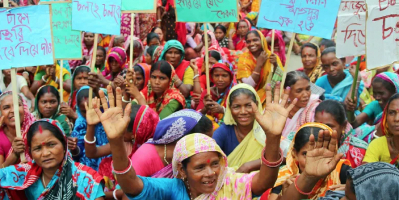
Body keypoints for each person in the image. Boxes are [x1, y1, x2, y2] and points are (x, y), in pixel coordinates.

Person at [94, 82, 297, 199]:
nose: (211, 174)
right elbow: (130, 185)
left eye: (215, 164)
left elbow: (264, 181)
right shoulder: (173, 189)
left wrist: (272, 137)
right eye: (200, 168)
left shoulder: (229, 181)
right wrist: (116, 142)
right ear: (182, 170)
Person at [0, 119, 105, 200]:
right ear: (30, 153)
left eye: (51, 145)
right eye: (38, 148)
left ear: (64, 146)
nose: (45, 153)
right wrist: (14, 155)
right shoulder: (25, 175)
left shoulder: (86, 179)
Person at [84, 99, 159, 199]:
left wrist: (101, 194)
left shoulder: (149, 156)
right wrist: (90, 125)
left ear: (134, 134)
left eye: (122, 127)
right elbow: (92, 153)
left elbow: (130, 191)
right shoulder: (125, 143)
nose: (116, 128)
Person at [212, 83, 284, 172]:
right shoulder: (223, 132)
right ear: (230, 108)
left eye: (248, 105)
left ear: (257, 105)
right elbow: (210, 160)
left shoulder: (265, 129)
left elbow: (285, 155)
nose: (243, 111)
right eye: (237, 107)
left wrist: (249, 166)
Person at [269, 123, 350, 200]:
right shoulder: (286, 178)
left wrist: (349, 191)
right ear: (295, 154)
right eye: (305, 154)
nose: (313, 161)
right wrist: (285, 195)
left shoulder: (341, 172)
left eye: (321, 156)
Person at [131, 109, 213, 178]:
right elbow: (126, 191)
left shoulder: (187, 158)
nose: (206, 147)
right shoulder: (144, 157)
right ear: (184, 139)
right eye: (202, 143)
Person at [314, 100, 369, 168]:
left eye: (329, 126)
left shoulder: (361, 152)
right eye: (317, 125)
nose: (321, 131)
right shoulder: (306, 147)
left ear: (343, 126)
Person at [237, 30, 283, 103]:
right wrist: (259, 64)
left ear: (262, 40)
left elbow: (280, 79)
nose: (252, 44)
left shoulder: (272, 56)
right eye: (248, 41)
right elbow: (248, 85)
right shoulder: (244, 59)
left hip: (270, 96)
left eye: (255, 40)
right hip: (250, 98)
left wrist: (275, 65)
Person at [69, 86, 109, 171]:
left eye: (92, 109)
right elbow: (78, 152)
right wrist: (74, 148)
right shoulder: (80, 124)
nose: (88, 114)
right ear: (78, 109)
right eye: (84, 111)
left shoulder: (107, 118)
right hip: (89, 168)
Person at [280, 71, 321, 151]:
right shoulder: (278, 107)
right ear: (287, 92)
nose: (306, 95)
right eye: (299, 91)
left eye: (308, 89)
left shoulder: (314, 110)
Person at [0, 92, 35, 167]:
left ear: (24, 108)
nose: (13, 110)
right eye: (6, 107)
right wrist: (14, 155)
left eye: (17, 105)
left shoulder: (36, 131)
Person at [197, 62, 236, 130]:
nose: (220, 79)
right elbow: (197, 116)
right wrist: (206, 108)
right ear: (212, 76)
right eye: (216, 75)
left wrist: (222, 110)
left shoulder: (236, 92)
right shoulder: (208, 92)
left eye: (224, 76)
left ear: (231, 77)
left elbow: (241, 114)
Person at [363, 93, 399, 166]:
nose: (396, 119)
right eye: (392, 113)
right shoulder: (378, 144)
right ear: (385, 117)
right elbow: (366, 174)